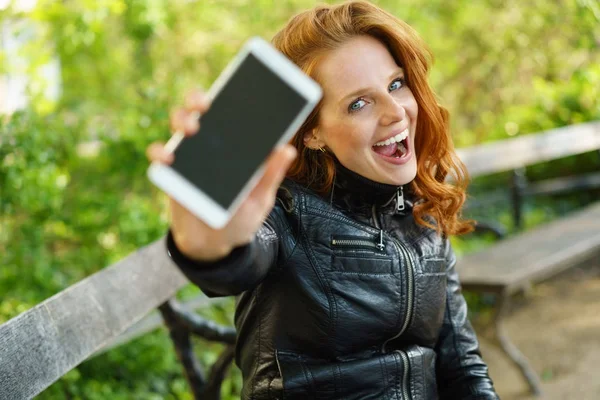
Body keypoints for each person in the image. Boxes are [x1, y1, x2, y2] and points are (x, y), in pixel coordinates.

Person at [147, 1, 500, 399]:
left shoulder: (422, 209)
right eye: (358, 103)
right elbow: (238, 258)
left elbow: (462, 367)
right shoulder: (284, 213)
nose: (394, 112)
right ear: (313, 133)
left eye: (396, 84)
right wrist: (208, 244)